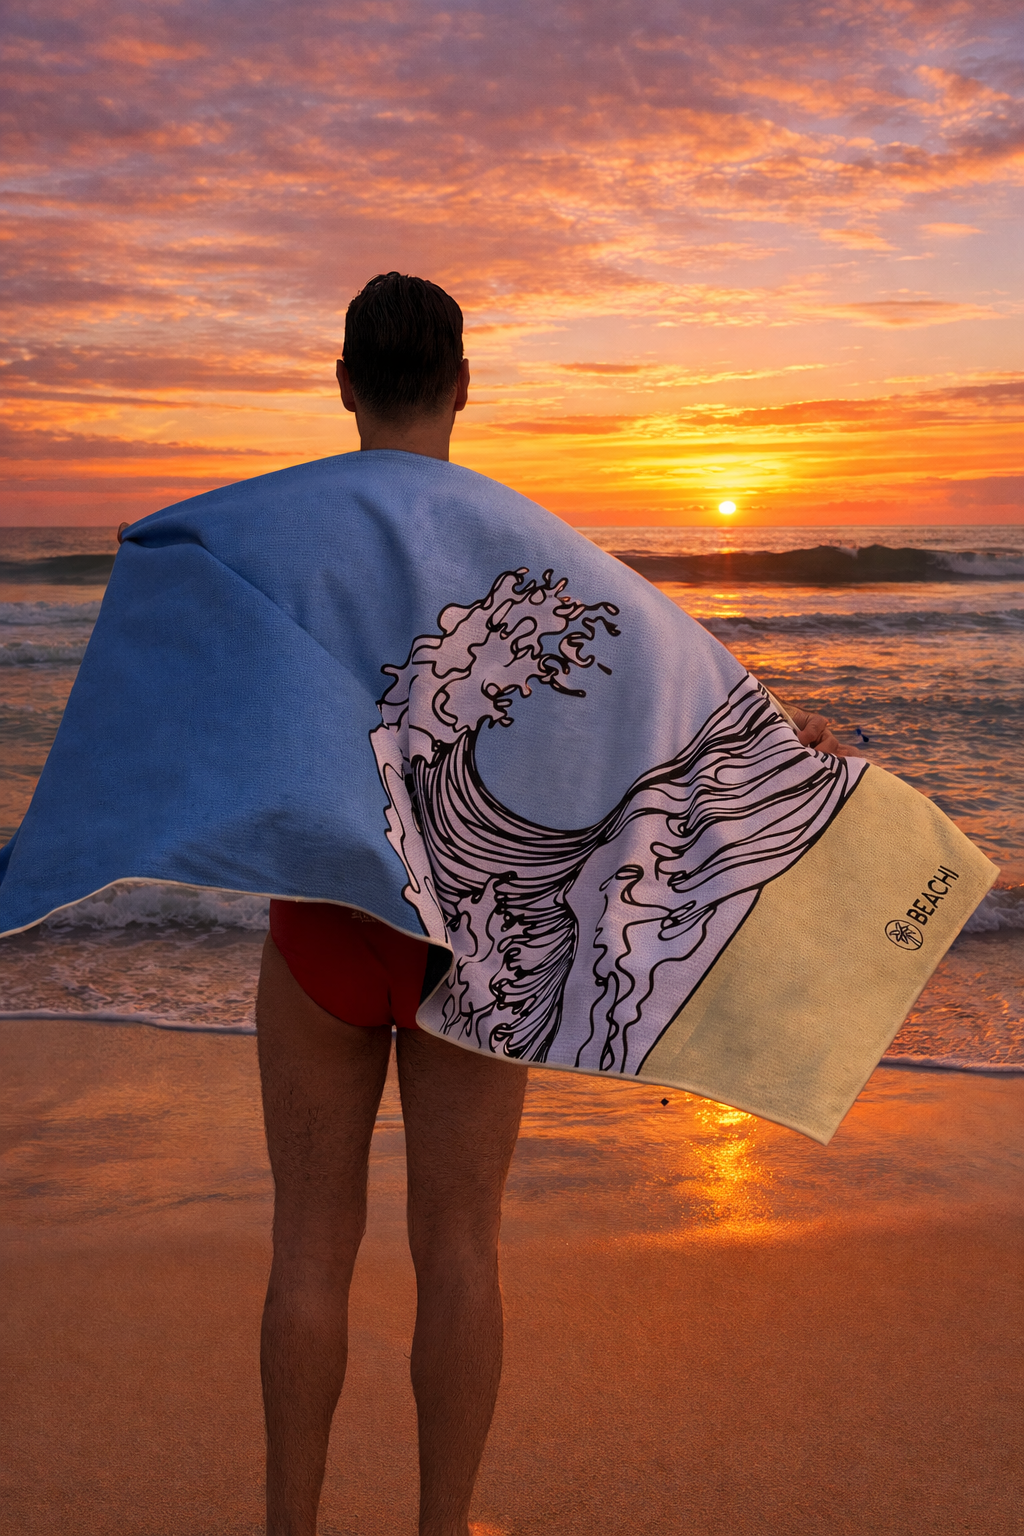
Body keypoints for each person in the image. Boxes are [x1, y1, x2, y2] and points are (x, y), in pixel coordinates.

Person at [254, 272, 845, 1536]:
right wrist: (775, 762)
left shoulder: (279, 536)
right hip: (481, 938)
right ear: (463, 386)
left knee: (306, 1249)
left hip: (322, 927)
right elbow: (660, 679)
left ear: (343, 382)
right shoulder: (526, 544)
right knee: (458, 1249)